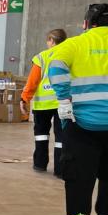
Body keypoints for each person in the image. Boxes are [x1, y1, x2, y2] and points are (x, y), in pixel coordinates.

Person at [49, 3, 108, 215]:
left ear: (86, 23)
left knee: (79, 183)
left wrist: (63, 98)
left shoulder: (75, 44)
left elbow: (56, 65)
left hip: (82, 126)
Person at [20, 29, 68, 176]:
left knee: (41, 134)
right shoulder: (69, 55)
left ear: (51, 41)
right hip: (62, 102)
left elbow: (33, 81)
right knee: (61, 138)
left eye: (48, 40)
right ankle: (60, 170)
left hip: (43, 105)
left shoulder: (42, 57)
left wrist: (24, 98)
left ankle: (40, 164)